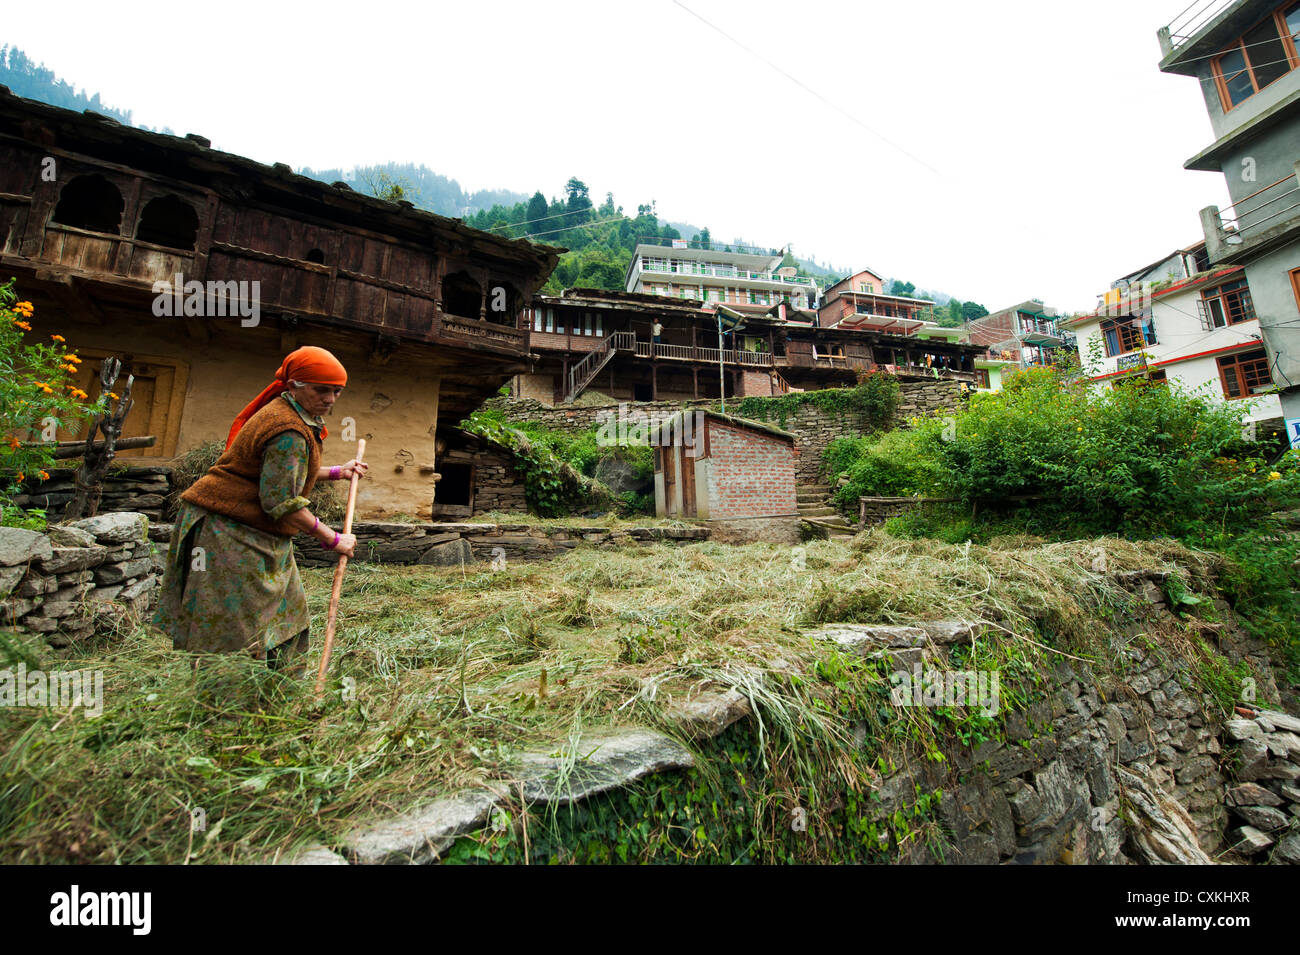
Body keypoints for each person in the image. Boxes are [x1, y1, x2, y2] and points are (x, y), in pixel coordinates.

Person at [152, 346, 368, 676]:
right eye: (321, 390)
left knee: (288, 617)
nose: (331, 399)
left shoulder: (287, 413)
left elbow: (280, 472)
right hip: (227, 532)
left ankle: (274, 693)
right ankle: (226, 709)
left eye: (337, 391)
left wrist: (338, 472)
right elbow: (281, 503)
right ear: (294, 385)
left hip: (257, 532)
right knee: (234, 630)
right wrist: (333, 538)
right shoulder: (288, 429)